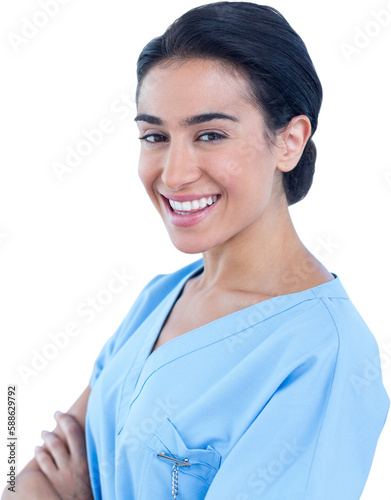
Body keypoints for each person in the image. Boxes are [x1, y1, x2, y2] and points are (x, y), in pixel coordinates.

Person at [3, 2, 389, 499]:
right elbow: (32, 479)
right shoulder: (160, 297)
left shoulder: (323, 357)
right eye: (155, 136)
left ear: (289, 142)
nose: (174, 172)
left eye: (210, 134)